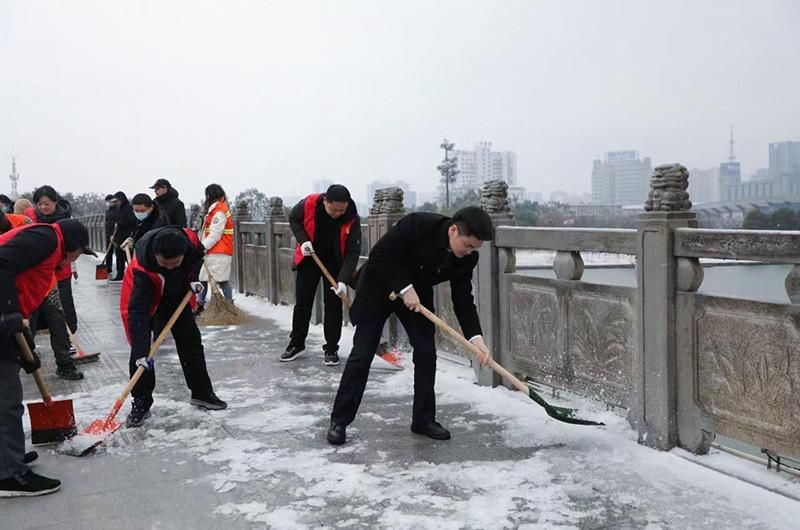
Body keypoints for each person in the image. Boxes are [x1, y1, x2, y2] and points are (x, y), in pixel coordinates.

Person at [327, 207, 493, 445]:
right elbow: (380, 255)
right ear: (454, 230)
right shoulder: (418, 224)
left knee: (426, 352)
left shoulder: (467, 258)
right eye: (467, 245)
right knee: (362, 354)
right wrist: (405, 287)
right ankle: (339, 421)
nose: (469, 252)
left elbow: (464, 301)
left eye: (475, 249)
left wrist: (476, 339)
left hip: (417, 297)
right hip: (379, 286)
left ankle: (423, 420)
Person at [0, 218, 96, 496]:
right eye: (77, 256)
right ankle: (9, 474)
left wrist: (22, 341)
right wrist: (8, 312)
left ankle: (8, 455)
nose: (74, 262)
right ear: (72, 248)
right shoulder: (47, 239)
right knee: (6, 397)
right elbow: (2, 261)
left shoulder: (47, 249)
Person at [120, 226, 227, 428]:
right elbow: (138, 313)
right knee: (142, 354)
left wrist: (194, 280)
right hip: (148, 299)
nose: (170, 267)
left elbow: (197, 260)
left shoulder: (191, 245)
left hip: (177, 296)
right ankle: (141, 403)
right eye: (164, 263)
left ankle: (202, 393)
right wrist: (141, 351)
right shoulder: (142, 269)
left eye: (175, 263)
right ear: (155, 256)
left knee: (191, 341)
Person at [282, 184, 361, 366]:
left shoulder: (351, 218)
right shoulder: (309, 203)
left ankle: (332, 348)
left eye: (342, 210)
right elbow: (294, 218)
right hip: (311, 257)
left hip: (335, 262)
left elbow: (352, 252)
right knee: (303, 302)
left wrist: (343, 280)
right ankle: (296, 344)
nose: (338, 214)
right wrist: (303, 241)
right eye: (334, 209)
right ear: (326, 201)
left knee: (333, 305)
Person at [196, 184, 234, 311]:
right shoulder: (215, 210)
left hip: (219, 252)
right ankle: (200, 304)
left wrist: (203, 246)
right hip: (212, 251)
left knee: (221, 281)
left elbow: (215, 234)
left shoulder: (219, 212)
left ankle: (228, 306)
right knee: (203, 279)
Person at [108, 191, 136, 283]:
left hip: (126, 236)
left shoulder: (128, 208)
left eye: (118, 201)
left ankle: (133, 273)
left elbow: (131, 221)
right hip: (118, 236)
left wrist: (120, 223)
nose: (116, 203)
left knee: (128, 256)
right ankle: (120, 274)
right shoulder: (118, 209)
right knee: (119, 256)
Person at [103, 194, 118, 275]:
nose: (108, 203)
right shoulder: (108, 211)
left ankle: (121, 269)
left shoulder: (118, 210)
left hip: (116, 233)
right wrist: (108, 234)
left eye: (109, 201)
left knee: (119, 252)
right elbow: (106, 222)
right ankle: (108, 267)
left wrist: (113, 234)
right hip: (108, 234)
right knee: (108, 252)